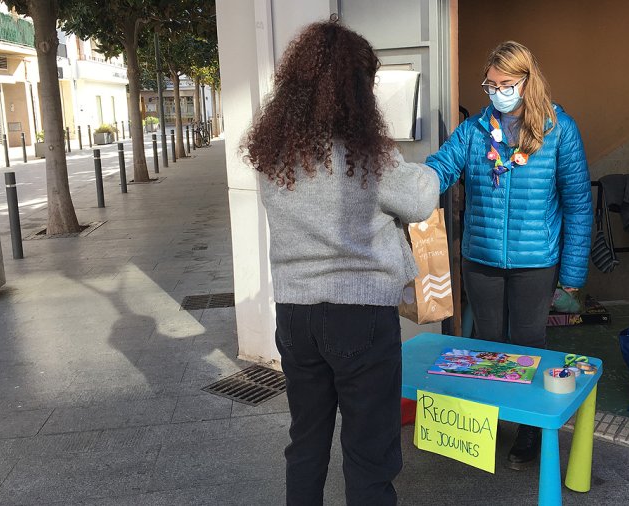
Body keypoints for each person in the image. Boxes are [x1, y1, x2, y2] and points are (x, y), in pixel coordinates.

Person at [243, 21, 439, 505]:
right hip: (361, 316)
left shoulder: (274, 154)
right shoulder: (366, 156)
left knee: (305, 443)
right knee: (370, 455)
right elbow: (421, 200)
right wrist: (430, 166)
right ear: (355, 90)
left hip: (295, 314)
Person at [425, 41, 593, 470]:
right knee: (486, 349)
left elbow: (577, 204)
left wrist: (572, 276)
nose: (497, 92)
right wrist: (411, 182)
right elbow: (442, 166)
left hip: (536, 262)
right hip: (481, 260)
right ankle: (485, 426)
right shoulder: (476, 130)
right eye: (491, 84)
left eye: (506, 84)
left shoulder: (559, 129)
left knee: (529, 348)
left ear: (526, 81)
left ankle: (530, 434)